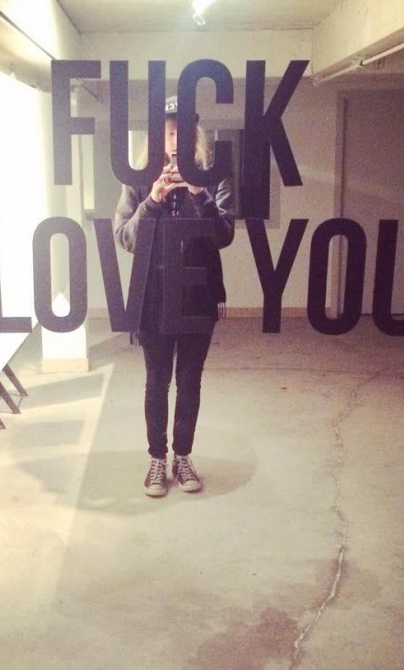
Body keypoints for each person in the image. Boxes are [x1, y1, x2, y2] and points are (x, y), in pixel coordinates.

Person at [114, 97, 235, 497]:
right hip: (153, 296)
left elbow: (224, 235)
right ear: (158, 137)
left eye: (182, 132)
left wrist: (199, 193)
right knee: (156, 380)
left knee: (189, 380)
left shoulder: (213, 177)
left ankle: (182, 456)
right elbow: (124, 238)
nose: (175, 140)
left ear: (194, 136)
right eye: (169, 132)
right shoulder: (138, 179)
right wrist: (153, 200)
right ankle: (156, 459)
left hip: (199, 295)